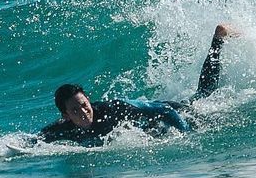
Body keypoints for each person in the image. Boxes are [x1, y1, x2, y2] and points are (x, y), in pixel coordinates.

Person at [38, 23, 238, 146]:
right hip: (151, 125)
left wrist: (187, 134)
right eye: (75, 110)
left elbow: (164, 110)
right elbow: (34, 141)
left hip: (170, 111)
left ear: (88, 100)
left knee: (203, 96)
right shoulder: (62, 129)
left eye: (84, 104)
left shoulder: (113, 109)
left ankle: (218, 39)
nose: (83, 111)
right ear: (65, 115)